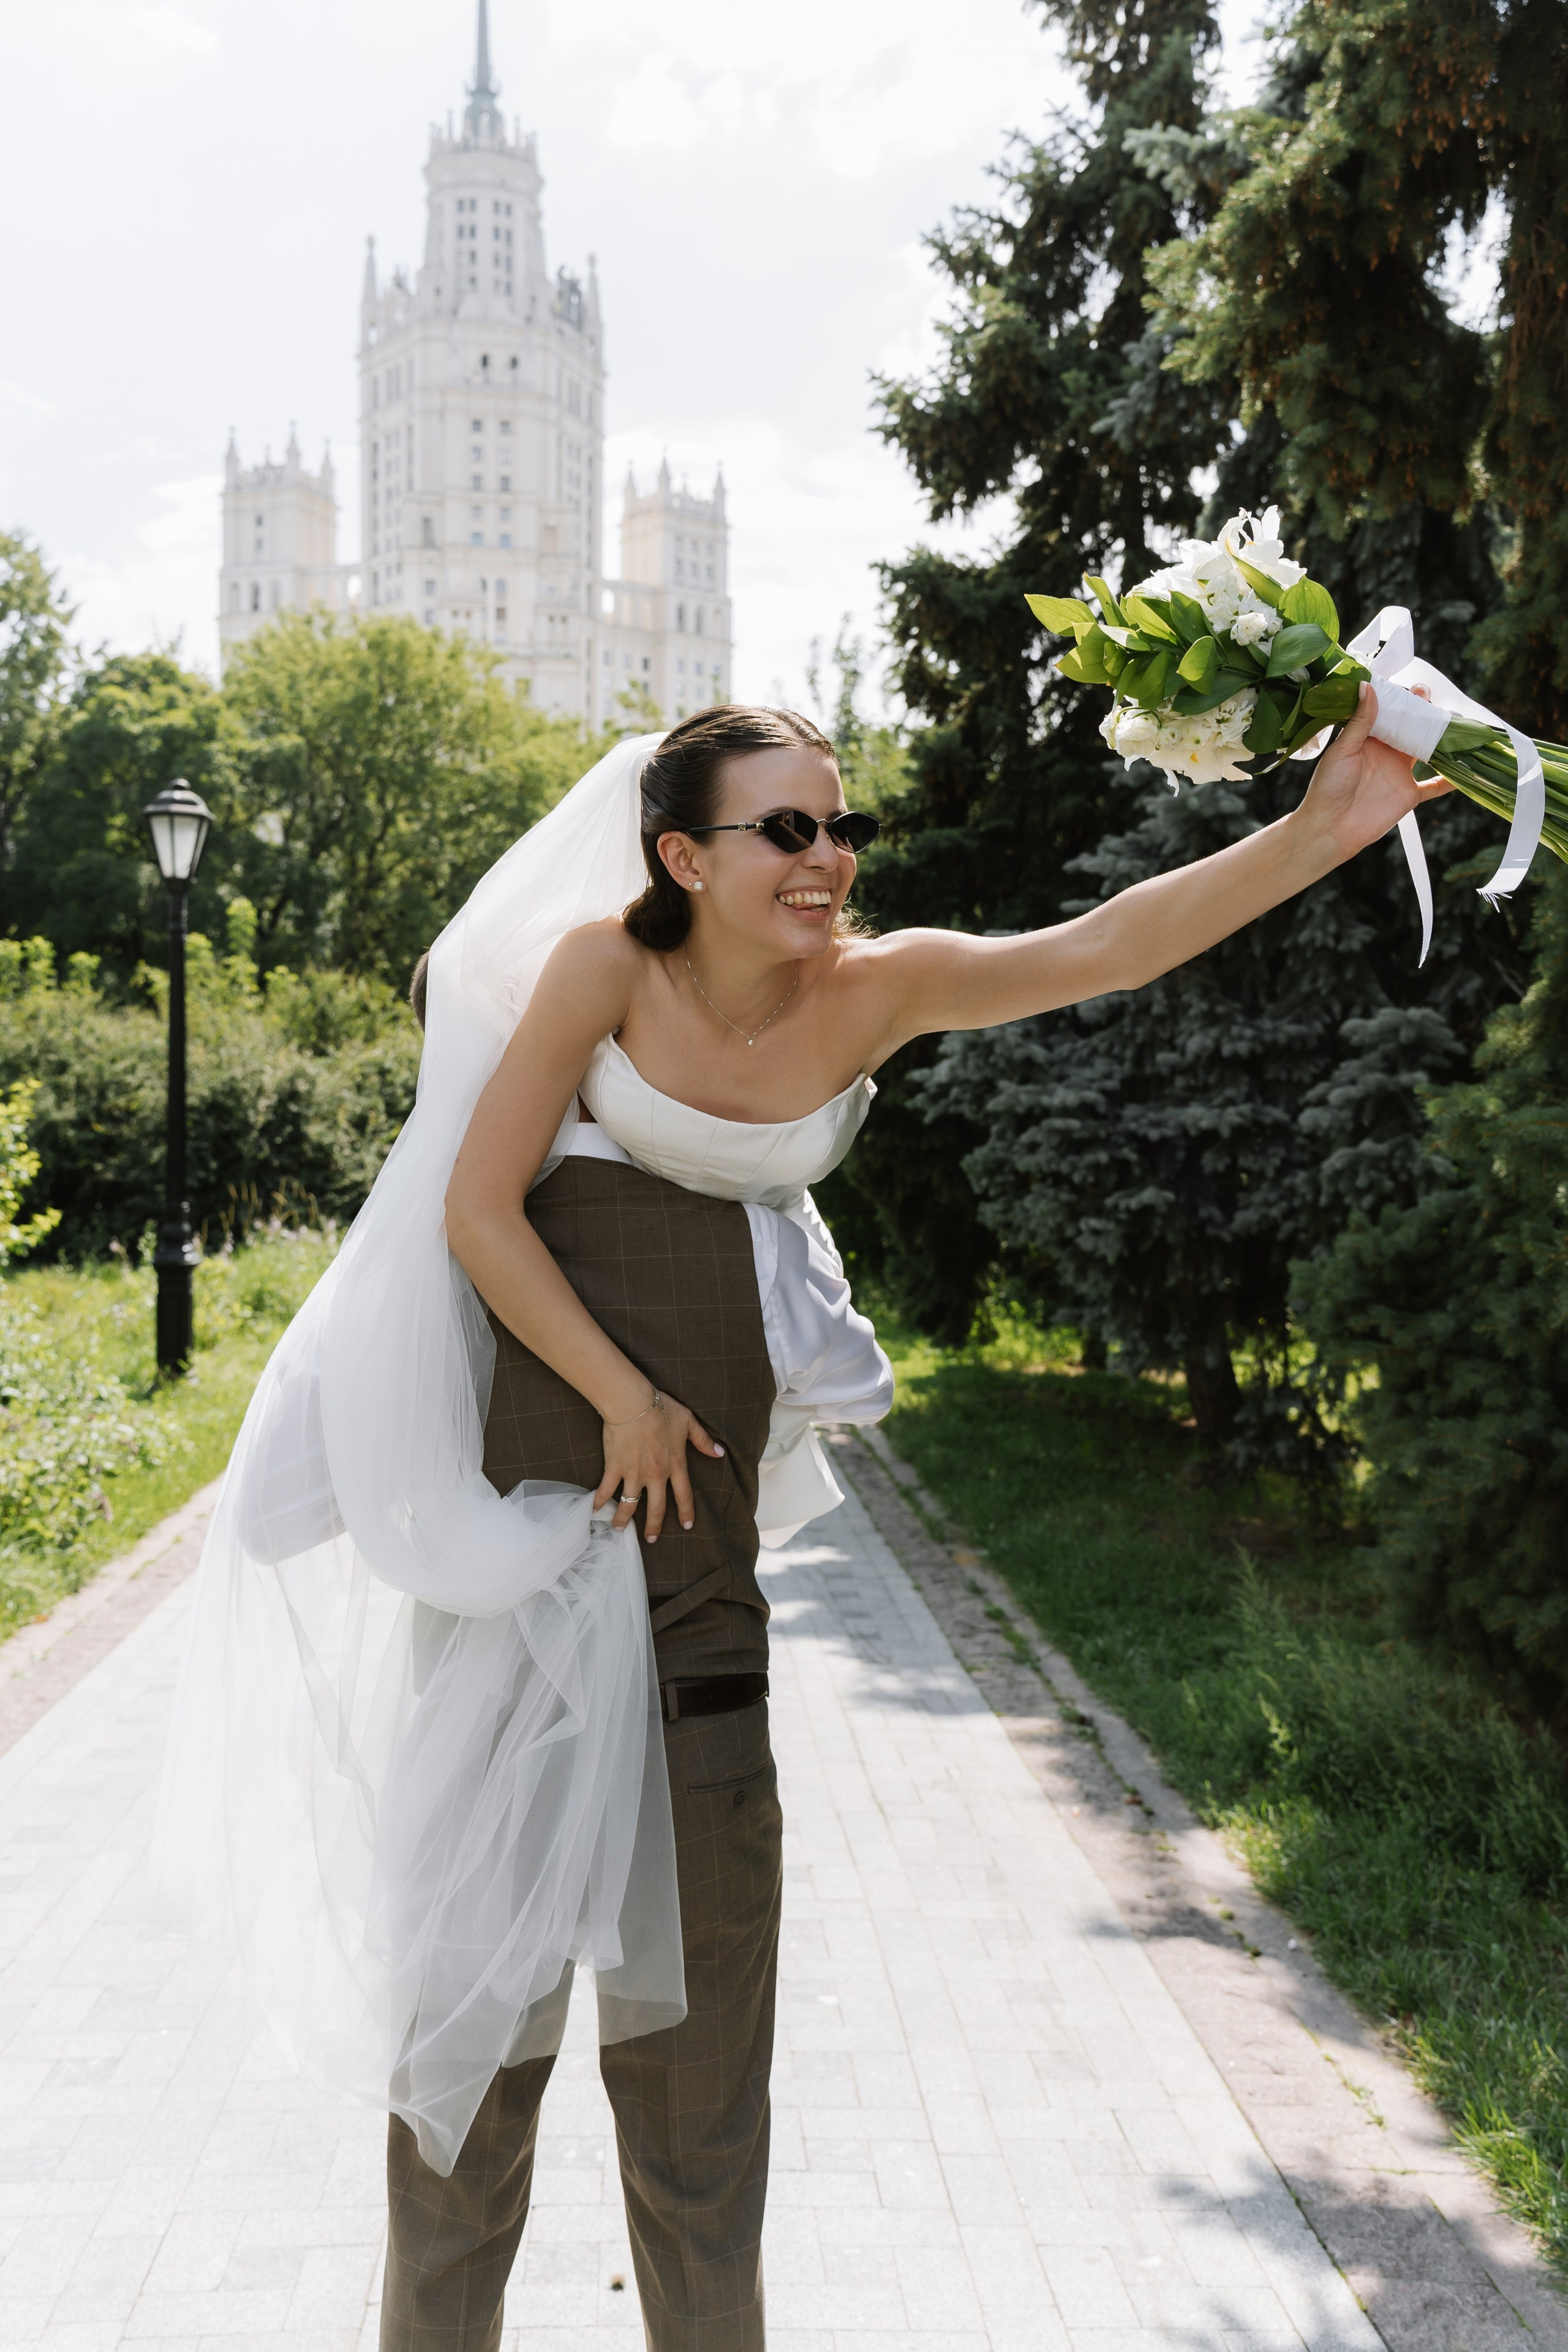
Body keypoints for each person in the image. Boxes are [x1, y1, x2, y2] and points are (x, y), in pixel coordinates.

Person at [155, 690, 1441, 2352]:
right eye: (788, 828)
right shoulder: (605, 973)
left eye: (842, 825)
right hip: (520, 1620)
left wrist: (1324, 829)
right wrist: (618, 1395)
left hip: (703, 1621)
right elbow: (480, 1208)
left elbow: (1110, 944)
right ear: (683, 855)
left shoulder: (872, 992)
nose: (829, 856)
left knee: (706, 2129)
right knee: (462, 2114)